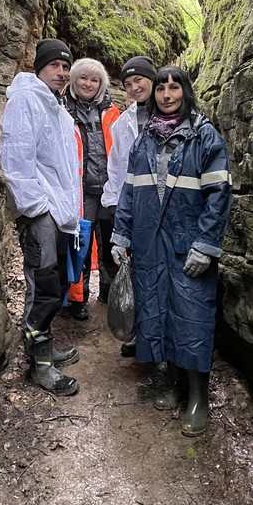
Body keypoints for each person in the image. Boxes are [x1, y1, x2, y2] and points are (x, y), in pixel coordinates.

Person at [111, 65, 232, 436]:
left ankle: (198, 398)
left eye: (173, 88)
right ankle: (177, 385)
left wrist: (206, 245)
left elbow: (219, 196)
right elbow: (129, 192)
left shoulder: (204, 137)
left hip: (188, 245)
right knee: (160, 314)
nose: (166, 95)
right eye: (161, 88)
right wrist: (121, 234)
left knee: (192, 319)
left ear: (185, 91)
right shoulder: (144, 139)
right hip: (151, 244)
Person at [0, 38, 81, 396]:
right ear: (39, 67)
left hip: (59, 212)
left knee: (56, 286)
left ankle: (43, 349)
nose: (62, 73)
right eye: (55, 66)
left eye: (66, 67)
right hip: (41, 212)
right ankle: (40, 366)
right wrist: (36, 210)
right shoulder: (26, 99)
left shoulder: (58, 109)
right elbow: (16, 159)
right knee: (43, 287)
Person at [101, 55, 156, 356]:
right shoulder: (122, 123)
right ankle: (141, 333)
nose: (135, 87)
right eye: (129, 84)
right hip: (135, 210)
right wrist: (113, 205)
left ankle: (160, 340)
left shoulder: (174, 111)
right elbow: (117, 167)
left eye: (139, 80)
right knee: (138, 274)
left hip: (167, 208)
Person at [62, 58, 120, 321]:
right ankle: (77, 299)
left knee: (111, 242)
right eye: (83, 78)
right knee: (80, 244)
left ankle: (111, 292)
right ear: (74, 80)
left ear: (101, 84)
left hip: (109, 189)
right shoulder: (62, 109)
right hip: (80, 190)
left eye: (94, 79)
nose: (88, 83)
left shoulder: (111, 111)